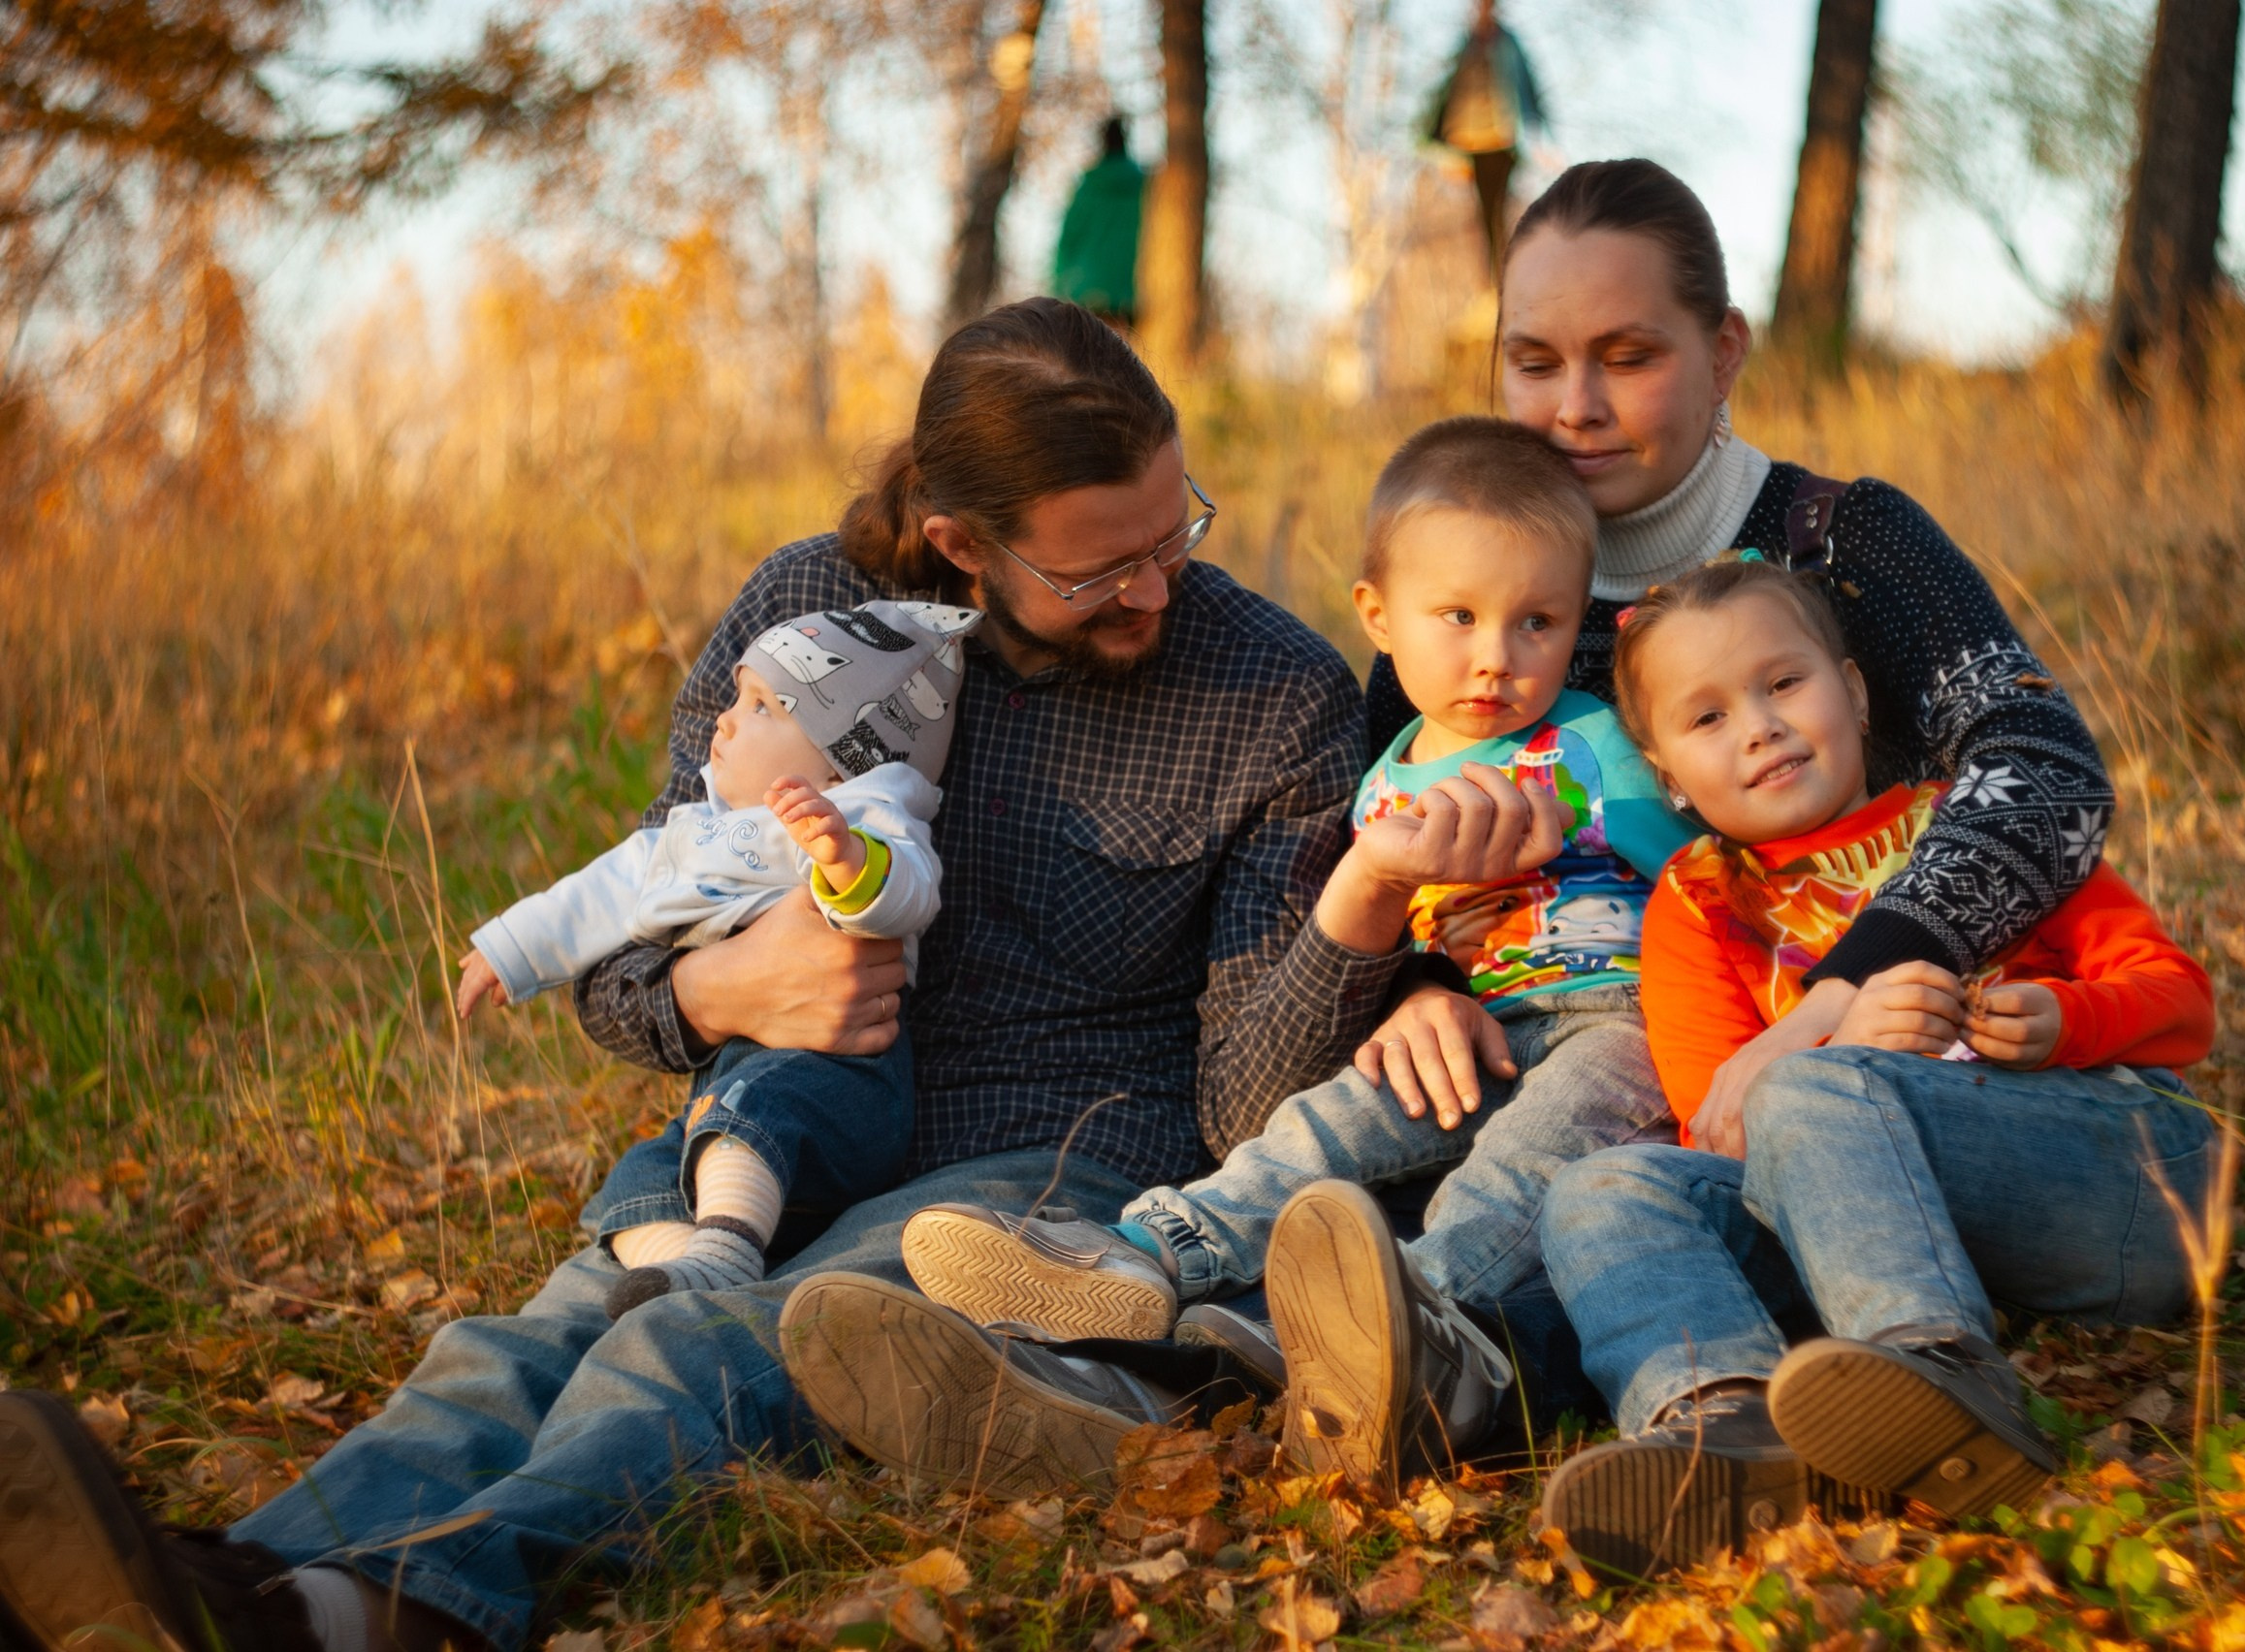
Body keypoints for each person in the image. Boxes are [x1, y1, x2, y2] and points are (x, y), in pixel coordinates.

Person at [0, 298, 1522, 1652]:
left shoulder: (1270, 690)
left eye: (1174, 527)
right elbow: (633, 941)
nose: (1155, 590)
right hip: (785, 1124)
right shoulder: (802, 624)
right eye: (1096, 569)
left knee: (710, 1346)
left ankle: (376, 1611)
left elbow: (1241, 1097)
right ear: (961, 547)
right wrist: (720, 999)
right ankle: (212, 1589)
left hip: (1055, 1160)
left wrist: (1360, 915)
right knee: (539, 1333)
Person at [1319, 156, 2125, 1484]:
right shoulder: (1449, 613)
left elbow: (2041, 767)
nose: (1574, 408)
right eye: (1534, 362)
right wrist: (1407, 978)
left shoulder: (1847, 546)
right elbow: (1370, 845)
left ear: (1724, 349)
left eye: (1627, 356)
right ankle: (1483, 1373)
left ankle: (1439, 1346)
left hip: (1866, 1086)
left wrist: (1846, 986)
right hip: (1567, 1109)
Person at [888, 419, 1686, 1495]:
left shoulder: (1589, 743)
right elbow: (1394, 929)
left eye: (1537, 622)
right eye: (1458, 618)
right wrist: (1419, 978)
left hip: (1620, 1023)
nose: (1498, 655)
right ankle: (1146, 1251)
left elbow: (1697, 878)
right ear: (1378, 617)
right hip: (1481, 1032)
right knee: (1328, 1122)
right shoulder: (1386, 776)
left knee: (1518, 1169)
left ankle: (1402, 1310)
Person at [1532, 555, 2215, 1575]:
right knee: (1598, 1189)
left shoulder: (1977, 828)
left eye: (1782, 683)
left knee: (1812, 1083)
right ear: (1666, 772)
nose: (1758, 726)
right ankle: (1728, 1431)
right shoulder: (1697, 903)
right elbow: (1713, 1131)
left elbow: (2181, 1003)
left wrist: (2060, 1020)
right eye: (1706, 718)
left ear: (1852, 692)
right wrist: (1847, 1048)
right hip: (1867, 1226)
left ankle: (1942, 1377)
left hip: (2116, 1179)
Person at [457, 600, 976, 1314]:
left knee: (748, 1110)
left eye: (762, 707)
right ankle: (686, 1270)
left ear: (840, 762)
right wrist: (507, 950)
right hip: (725, 1088)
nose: (726, 720)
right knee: (642, 1177)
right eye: (737, 697)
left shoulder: (860, 813)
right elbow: (601, 890)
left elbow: (912, 890)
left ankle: (725, 1250)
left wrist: (847, 860)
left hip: (842, 1083)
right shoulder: (700, 830)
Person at [1424, 0, 1548, 275]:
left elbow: (1528, 87)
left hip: (1502, 137)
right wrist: (1434, 137)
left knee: (1502, 207)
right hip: (1471, 141)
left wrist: (1540, 135)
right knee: (1484, 212)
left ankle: (1509, 271)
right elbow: (1446, 93)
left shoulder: (1508, 44)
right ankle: (1493, 277)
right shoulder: (1464, 47)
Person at [1052, 115, 1147, 328]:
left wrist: (1058, 285)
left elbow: (1069, 238)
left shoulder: (1089, 187)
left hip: (1086, 287)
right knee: (1123, 355)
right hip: (1129, 289)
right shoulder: (1142, 186)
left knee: (1088, 354)